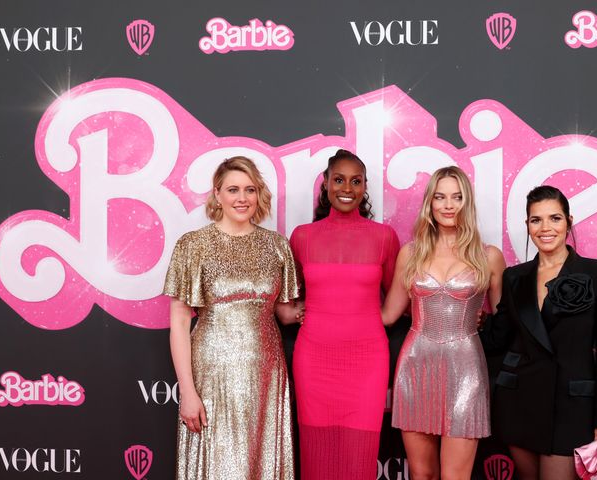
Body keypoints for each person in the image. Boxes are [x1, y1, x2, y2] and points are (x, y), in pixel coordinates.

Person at [164, 157, 302, 480]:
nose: (242, 198)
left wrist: (332, 309)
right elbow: (180, 324)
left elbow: (283, 310)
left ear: (259, 194)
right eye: (233, 190)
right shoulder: (193, 246)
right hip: (212, 375)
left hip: (266, 376)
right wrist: (187, 391)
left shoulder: (277, 246)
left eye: (250, 189)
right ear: (217, 194)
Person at [481, 185, 597, 480]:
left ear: (569, 222)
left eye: (555, 218)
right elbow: (498, 338)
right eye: (536, 220)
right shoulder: (514, 276)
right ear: (527, 225)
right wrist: (453, 315)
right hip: (519, 402)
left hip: (571, 407)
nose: (545, 228)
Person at [381, 166, 506, 480]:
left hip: (466, 370)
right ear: (430, 203)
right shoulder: (410, 254)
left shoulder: (488, 256)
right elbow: (388, 315)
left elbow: (506, 321)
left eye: (457, 197)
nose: (449, 205)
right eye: (440, 197)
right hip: (415, 366)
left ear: (467, 203)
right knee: (422, 475)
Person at [289, 149, 400, 479]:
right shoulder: (302, 237)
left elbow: (399, 299)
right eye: (339, 180)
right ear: (325, 183)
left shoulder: (384, 237)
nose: (347, 189)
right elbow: (286, 297)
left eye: (356, 181)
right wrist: (298, 313)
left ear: (365, 186)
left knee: (359, 456)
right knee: (316, 453)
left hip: (367, 360)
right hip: (314, 359)